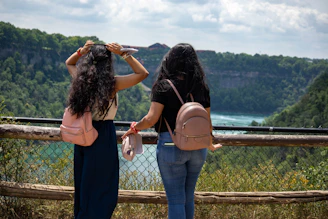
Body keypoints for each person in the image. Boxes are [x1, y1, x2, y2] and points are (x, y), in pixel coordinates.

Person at [122, 43, 221, 219]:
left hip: (171, 145)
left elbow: (151, 119)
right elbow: (208, 122)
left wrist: (134, 128)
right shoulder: (201, 87)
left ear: (170, 61)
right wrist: (210, 143)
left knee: (175, 199)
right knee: (188, 197)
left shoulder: (163, 86)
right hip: (198, 147)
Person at [65, 40, 149, 218]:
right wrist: (123, 54)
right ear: (108, 63)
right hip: (102, 135)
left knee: (84, 182)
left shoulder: (81, 80)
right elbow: (142, 73)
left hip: (83, 134)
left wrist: (82, 51)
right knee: (104, 184)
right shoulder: (112, 84)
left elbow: (69, 63)